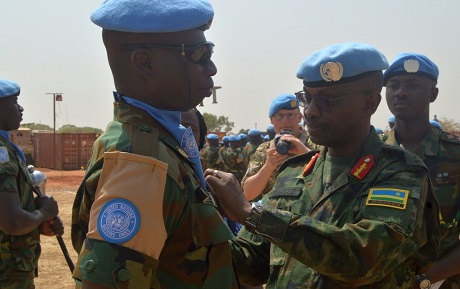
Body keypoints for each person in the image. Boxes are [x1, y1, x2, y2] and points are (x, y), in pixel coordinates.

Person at [205, 42, 441, 288]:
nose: (311, 112)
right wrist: (197, 219)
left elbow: (362, 259)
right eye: (307, 98)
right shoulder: (293, 172)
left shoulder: (400, 172)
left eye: (328, 100)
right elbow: (251, 263)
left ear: (369, 103)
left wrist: (250, 213)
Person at [70, 1, 238, 288]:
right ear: (145, 62)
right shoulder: (140, 162)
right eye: (199, 54)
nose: (211, 67)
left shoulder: (161, 141)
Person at [384, 52, 460, 288]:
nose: (401, 92)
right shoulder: (371, 154)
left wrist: (424, 280)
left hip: (444, 282)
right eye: (393, 85)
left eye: (413, 85)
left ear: (433, 94)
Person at [0, 78, 64, 289]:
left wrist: (37, 222)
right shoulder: (2, 154)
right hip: (8, 275)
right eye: (14, 102)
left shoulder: (7, 148)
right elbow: (12, 223)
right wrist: (44, 213)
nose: (20, 108)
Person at [241, 93, 318, 201]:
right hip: (274, 214)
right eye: (280, 116)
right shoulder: (265, 150)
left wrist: (306, 154)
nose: (285, 121)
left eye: (290, 115)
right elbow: (248, 193)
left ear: (299, 117)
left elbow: (328, 180)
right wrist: (268, 167)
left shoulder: (315, 143)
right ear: (271, 120)